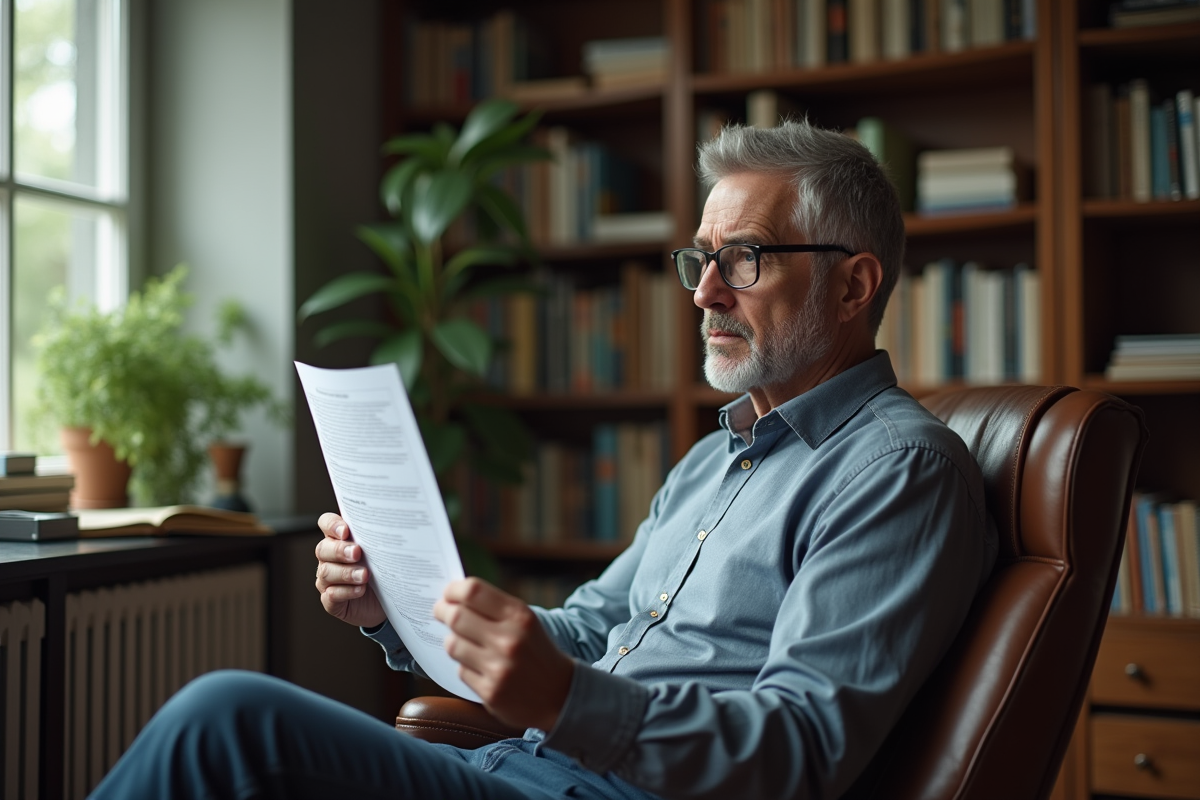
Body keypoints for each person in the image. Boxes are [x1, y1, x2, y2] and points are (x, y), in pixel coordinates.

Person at [88, 119, 998, 800]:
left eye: (746, 259)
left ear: (854, 283)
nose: (706, 293)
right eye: (702, 260)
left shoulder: (899, 471)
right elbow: (591, 630)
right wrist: (400, 613)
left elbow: (800, 749)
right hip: (521, 767)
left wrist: (566, 702)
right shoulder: (714, 464)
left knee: (228, 722)